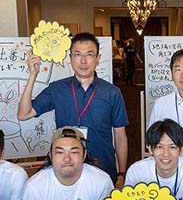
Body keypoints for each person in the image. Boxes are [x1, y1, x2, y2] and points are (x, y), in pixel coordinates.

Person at [18, 32, 129, 186]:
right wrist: (32, 75)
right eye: (77, 54)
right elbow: (24, 114)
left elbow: (120, 135)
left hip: (103, 167)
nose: (83, 61)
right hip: (67, 168)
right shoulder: (57, 88)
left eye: (89, 54)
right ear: (70, 59)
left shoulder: (112, 92)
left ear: (97, 59)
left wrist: (121, 173)